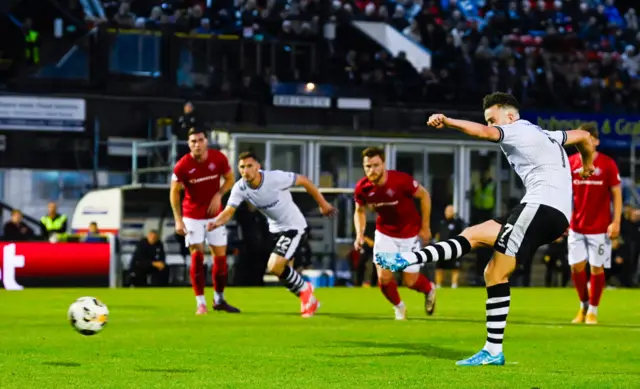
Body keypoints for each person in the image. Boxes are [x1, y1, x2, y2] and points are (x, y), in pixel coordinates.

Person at [374, 92, 595, 366]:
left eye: (494, 119)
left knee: (495, 271)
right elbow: (584, 137)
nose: (492, 124)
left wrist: (448, 121)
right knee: (476, 238)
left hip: (540, 207)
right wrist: (588, 165)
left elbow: (482, 133)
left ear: (510, 116)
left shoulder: (517, 130)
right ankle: (408, 260)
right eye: (489, 120)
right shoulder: (546, 134)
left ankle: (491, 350)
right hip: (548, 212)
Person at [207, 151, 336, 318]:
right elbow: (228, 211)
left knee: (275, 266)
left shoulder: (274, 178)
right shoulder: (240, 187)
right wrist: (216, 221)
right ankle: (309, 298)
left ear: (258, 167)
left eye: (249, 166)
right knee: (283, 273)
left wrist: (323, 204)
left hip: (294, 226)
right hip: (275, 230)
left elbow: (303, 180)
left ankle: (306, 293)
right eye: (242, 167)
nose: (246, 171)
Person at [353, 147, 436, 320]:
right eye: (367, 166)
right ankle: (399, 307)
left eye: (375, 165)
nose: (371, 170)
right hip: (385, 234)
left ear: (383, 164)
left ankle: (429, 290)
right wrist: (359, 234)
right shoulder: (363, 188)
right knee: (383, 277)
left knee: (410, 282)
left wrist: (425, 226)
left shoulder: (401, 180)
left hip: (410, 235)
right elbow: (359, 211)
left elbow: (424, 196)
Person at [170, 127, 239, 315]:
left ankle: (219, 299)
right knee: (197, 257)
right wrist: (178, 220)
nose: (197, 144)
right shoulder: (182, 165)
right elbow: (174, 191)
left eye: (200, 140)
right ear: (188, 144)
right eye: (193, 141)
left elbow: (230, 179)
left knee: (221, 258)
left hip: (215, 216)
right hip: (192, 216)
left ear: (206, 141)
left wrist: (219, 194)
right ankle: (200, 302)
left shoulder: (219, 158)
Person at [568, 124, 622, 325]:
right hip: (576, 225)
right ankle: (583, 305)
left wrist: (616, 222)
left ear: (597, 141)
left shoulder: (608, 164)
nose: (586, 143)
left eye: (589, 139)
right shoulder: (572, 163)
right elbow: (566, 194)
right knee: (576, 267)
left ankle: (593, 310)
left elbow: (616, 194)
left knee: (597, 268)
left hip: (600, 227)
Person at [435, 205, 465, 288]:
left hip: (453, 248)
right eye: (446, 211)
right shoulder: (441, 222)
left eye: (449, 211)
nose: (447, 213)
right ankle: (438, 285)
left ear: (453, 212)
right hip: (442, 248)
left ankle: (454, 284)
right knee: (439, 267)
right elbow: (438, 234)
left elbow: (461, 234)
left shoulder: (457, 223)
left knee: (455, 267)